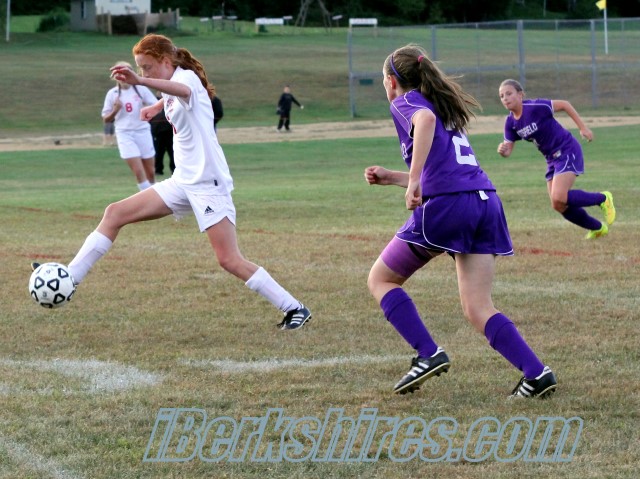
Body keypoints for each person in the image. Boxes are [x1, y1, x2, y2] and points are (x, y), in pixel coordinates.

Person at [34, 34, 311, 331]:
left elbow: (182, 90)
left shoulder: (185, 78)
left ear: (166, 61)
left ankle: (294, 308)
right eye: (140, 68)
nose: (143, 72)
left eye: (147, 67)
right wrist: (156, 108)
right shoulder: (171, 82)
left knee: (229, 260)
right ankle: (70, 278)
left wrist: (141, 83)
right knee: (114, 213)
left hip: (207, 184)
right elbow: (172, 96)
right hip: (182, 182)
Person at [364, 44, 556, 399]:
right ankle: (536, 374)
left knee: (381, 279)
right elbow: (446, 170)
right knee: (477, 307)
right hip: (484, 201)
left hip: (450, 206)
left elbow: (424, 124)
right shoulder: (441, 105)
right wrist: (394, 178)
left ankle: (427, 353)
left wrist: (415, 179)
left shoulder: (407, 103)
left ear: (391, 81)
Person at [497, 79, 615, 239]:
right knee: (558, 204)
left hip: (566, 149)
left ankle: (603, 198)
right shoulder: (510, 123)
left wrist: (583, 128)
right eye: (501, 96)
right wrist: (502, 150)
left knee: (559, 196)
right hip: (551, 159)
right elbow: (507, 151)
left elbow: (565, 105)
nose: (505, 98)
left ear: (520, 94)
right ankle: (597, 228)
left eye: (509, 93)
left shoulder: (536, 107)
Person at [102, 61, 158, 190]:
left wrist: (147, 109)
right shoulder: (112, 94)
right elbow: (106, 119)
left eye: (126, 72)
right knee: (138, 171)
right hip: (124, 133)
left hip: (142, 131)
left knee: (150, 172)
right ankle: (147, 198)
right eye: (120, 73)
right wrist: (115, 110)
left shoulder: (141, 90)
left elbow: (156, 107)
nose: (123, 77)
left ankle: (155, 195)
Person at [149, 94, 174, 175]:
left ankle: (174, 169)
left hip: (169, 130)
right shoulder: (152, 100)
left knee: (173, 151)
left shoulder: (171, 99)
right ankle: (158, 169)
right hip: (157, 131)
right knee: (158, 151)